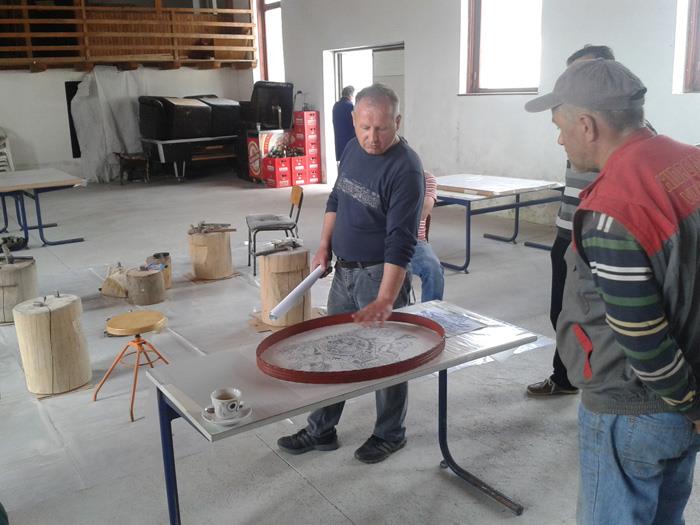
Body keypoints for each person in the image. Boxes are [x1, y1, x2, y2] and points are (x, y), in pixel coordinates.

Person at [525, 59, 700, 524]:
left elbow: (643, 337)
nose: (560, 140)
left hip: (635, 407)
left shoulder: (613, 208)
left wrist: (691, 406)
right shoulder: (689, 160)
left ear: (587, 125)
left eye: (560, 127)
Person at [277, 83, 424, 464]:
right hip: (343, 272)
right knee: (334, 351)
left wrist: (386, 299)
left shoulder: (406, 169)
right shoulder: (352, 149)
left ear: (397, 122)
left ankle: (390, 433)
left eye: (382, 128)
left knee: (386, 357)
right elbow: (336, 199)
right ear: (354, 120)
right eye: (365, 127)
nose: (372, 138)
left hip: (379, 276)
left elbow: (401, 242)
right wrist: (324, 245)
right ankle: (321, 430)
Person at [526, 44, 615, 397]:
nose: (560, 139)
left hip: (591, 241)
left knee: (587, 316)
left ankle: (589, 384)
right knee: (562, 313)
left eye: (582, 74)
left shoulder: (618, 137)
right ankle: (565, 377)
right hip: (567, 233)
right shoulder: (577, 127)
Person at [410, 171, 444, 302]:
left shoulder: (426, 178)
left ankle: (431, 311)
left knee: (433, 269)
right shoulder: (384, 175)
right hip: (382, 238)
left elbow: (423, 211)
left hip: (414, 241)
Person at [332, 85, 355, 161]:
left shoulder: (336, 106)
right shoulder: (350, 106)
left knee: (343, 161)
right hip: (349, 139)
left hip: (339, 139)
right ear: (350, 95)